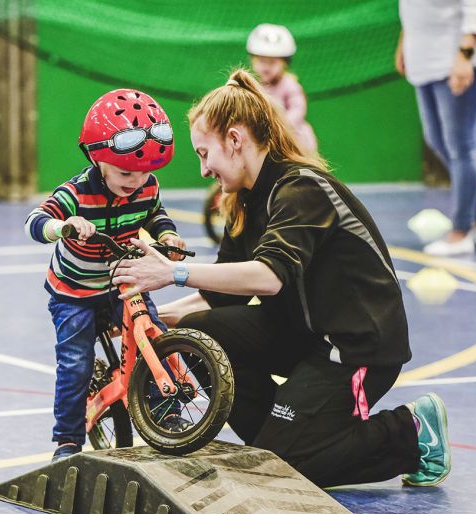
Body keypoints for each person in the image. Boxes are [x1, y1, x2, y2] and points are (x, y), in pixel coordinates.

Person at [111, 68, 451, 489]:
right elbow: (218, 298)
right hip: (304, 335)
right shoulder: (244, 201)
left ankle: (410, 432)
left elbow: (268, 278)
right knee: (202, 333)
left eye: (204, 153)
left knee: (284, 469)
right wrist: (154, 320)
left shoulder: (300, 189)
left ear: (235, 140)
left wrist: (172, 272)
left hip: (358, 348)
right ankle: (288, 432)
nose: (203, 170)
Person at [25, 88, 186, 462]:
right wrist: (63, 228)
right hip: (73, 291)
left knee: (155, 334)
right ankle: (67, 441)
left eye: (145, 172)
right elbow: (35, 221)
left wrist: (167, 234)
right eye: (125, 172)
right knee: (75, 362)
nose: (136, 181)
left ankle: (169, 412)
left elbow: (155, 214)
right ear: (98, 160)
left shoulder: (146, 186)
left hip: (120, 281)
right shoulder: (76, 192)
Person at [396, 0, 476, 256]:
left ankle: (461, 232)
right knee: (436, 139)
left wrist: (465, 54)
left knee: (461, 144)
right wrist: (405, 42)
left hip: (459, 54)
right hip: (425, 56)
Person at [247, 23, 317, 156]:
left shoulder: (290, 85)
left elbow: (298, 109)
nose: (266, 67)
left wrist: (281, 125)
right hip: (266, 142)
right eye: (262, 61)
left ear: (284, 63)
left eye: (272, 62)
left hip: (293, 140)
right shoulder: (253, 86)